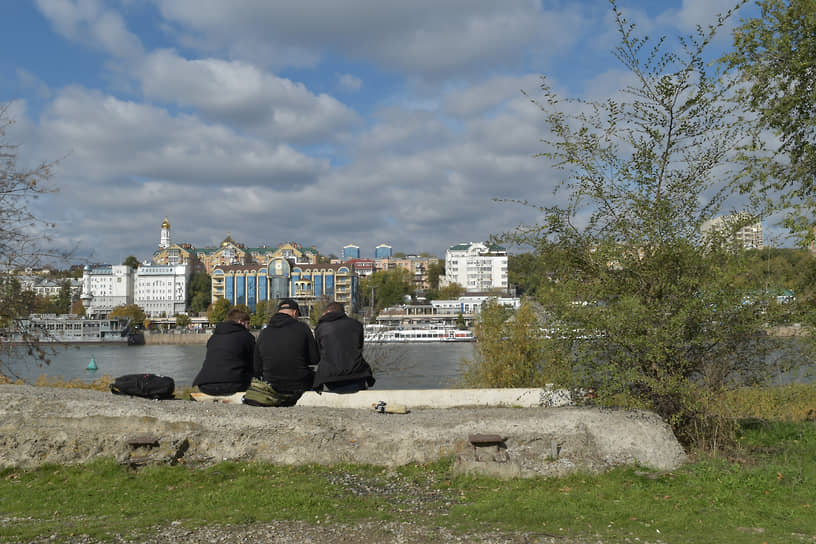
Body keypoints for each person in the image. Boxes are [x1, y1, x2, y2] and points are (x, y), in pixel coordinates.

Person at [248, 298, 319, 406]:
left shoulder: (264, 332)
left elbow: (257, 367)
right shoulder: (303, 328)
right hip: (299, 384)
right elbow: (314, 359)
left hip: (272, 384)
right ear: (295, 313)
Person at [313, 302, 375, 393]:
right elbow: (360, 347)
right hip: (357, 373)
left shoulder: (321, 328)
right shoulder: (357, 325)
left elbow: (319, 351)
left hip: (329, 376)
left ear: (328, 312)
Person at [193, 307, 255, 396]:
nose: (249, 327)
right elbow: (254, 363)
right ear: (240, 322)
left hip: (205, 386)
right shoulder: (246, 336)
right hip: (233, 385)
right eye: (248, 323)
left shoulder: (213, 338)